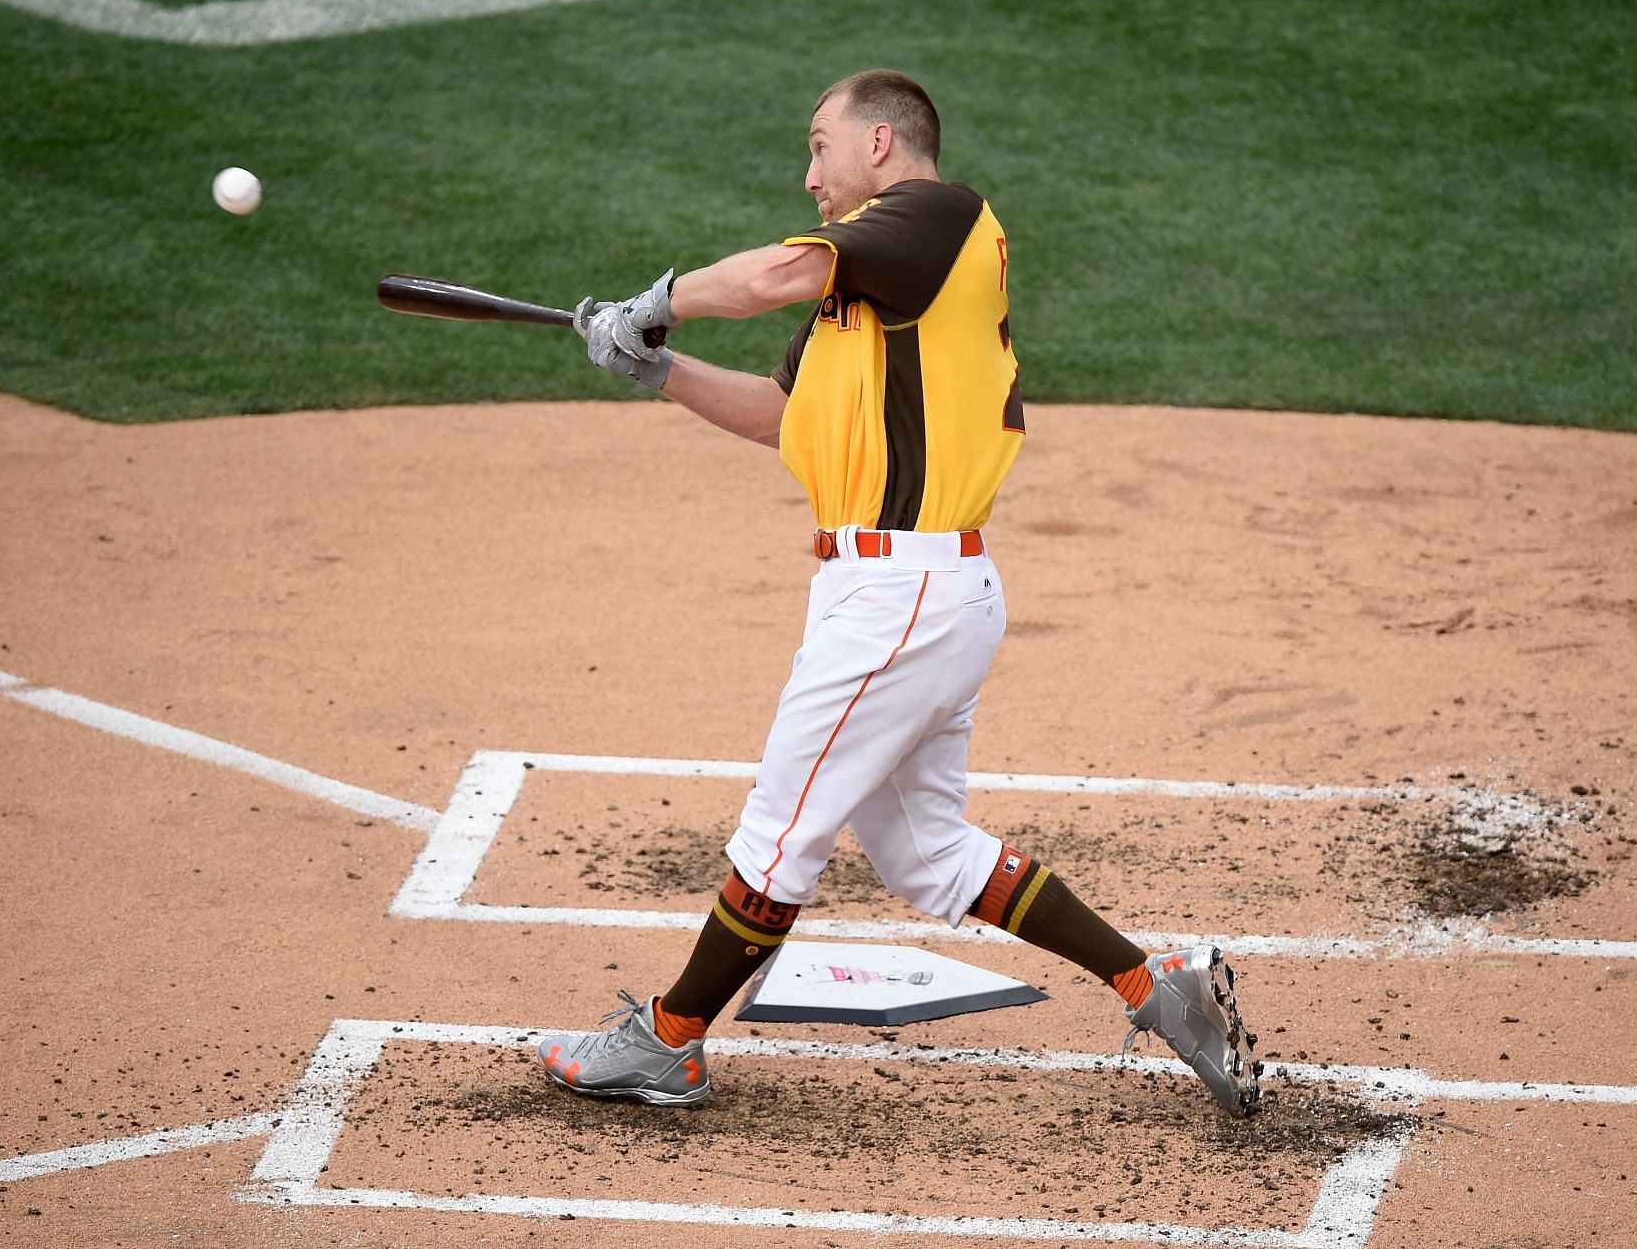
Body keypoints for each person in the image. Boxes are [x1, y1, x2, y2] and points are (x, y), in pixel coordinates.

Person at [536, 70, 1262, 1115]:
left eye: (819, 147)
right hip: (913, 594)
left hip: (902, 596)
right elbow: (780, 414)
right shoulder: (872, 294)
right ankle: (1157, 984)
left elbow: (763, 278)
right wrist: (662, 366)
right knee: (926, 855)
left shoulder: (933, 215)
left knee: (780, 833)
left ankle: (670, 1040)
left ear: (880, 143)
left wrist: (661, 296)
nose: (808, 175)